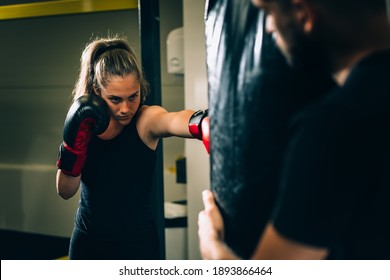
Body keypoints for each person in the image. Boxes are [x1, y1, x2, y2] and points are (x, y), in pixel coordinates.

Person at [198, 0, 390, 259]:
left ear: (304, 14)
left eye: (268, 13)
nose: (267, 27)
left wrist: (211, 246)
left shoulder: (332, 127)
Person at [56, 35, 209, 260]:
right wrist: (74, 147)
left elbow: (174, 120)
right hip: (89, 242)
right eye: (115, 99)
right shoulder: (84, 124)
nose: (126, 108)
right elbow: (65, 191)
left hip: (138, 245)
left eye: (133, 96)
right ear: (97, 91)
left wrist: (204, 124)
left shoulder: (146, 120)